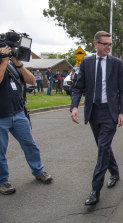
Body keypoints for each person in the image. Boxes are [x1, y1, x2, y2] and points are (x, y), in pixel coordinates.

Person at [71, 31, 123, 206]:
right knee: (103, 146)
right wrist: (74, 106)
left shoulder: (116, 63)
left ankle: (95, 190)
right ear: (95, 44)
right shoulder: (86, 62)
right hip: (93, 111)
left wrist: (121, 112)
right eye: (105, 44)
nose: (109, 47)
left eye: (110, 44)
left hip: (110, 112)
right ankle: (115, 172)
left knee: (102, 149)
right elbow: (78, 86)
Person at [0, 46, 53, 195]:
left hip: (18, 114)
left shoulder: (12, 66)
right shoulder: (4, 64)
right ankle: (3, 182)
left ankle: (38, 171)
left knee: (30, 145)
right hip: (1, 118)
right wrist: (3, 62)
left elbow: (31, 80)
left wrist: (18, 63)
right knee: (0, 152)